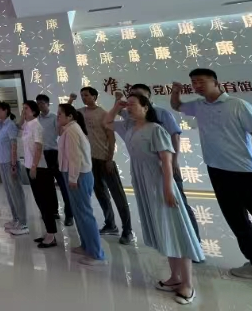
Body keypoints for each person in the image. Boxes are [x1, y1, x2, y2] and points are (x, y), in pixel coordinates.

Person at [171, 69, 252, 301]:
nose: (197, 86)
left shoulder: (238, 105)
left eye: (201, 81)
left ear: (216, 82)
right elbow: (177, 106)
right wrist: (176, 92)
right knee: (237, 222)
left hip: (246, 173)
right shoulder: (199, 106)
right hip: (217, 172)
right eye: (193, 82)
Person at [108, 92, 203, 305]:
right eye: (127, 105)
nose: (129, 108)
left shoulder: (156, 129)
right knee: (166, 231)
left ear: (146, 107)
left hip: (160, 185)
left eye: (133, 104)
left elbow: (166, 162)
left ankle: (188, 284)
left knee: (177, 231)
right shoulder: (130, 128)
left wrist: (168, 189)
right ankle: (175, 277)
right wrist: (116, 106)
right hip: (145, 185)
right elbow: (107, 122)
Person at [129, 84, 200, 243]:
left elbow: (175, 136)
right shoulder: (132, 117)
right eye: (132, 95)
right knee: (160, 204)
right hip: (149, 170)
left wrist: (174, 161)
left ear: (149, 97)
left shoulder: (162, 114)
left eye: (140, 95)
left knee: (178, 201)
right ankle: (170, 241)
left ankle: (193, 241)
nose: (135, 99)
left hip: (166, 164)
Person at [73, 87, 133, 245]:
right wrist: (71, 100)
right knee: (101, 194)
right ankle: (110, 224)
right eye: (82, 95)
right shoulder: (80, 113)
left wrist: (109, 159)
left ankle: (127, 230)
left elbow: (111, 138)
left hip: (105, 159)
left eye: (87, 95)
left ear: (94, 96)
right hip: (90, 160)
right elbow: (67, 113)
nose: (84, 98)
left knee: (118, 195)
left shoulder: (104, 114)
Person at [57, 103, 106, 266]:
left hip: (78, 176)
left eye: (60, 114)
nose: (58, 117)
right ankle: (86, 246)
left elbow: (75, 157)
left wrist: (72, 178)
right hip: (75, 174)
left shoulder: (72, 130)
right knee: (79, 213)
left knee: (85, 214)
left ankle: (97, 253)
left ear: (70, 116)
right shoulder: (69, 129)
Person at [21, 100, 58, 248]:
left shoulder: (36, 126)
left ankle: (51, 234)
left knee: (44, 201)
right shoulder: (27, 124)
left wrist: (34, 166)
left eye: (26, 109)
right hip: (30, 166)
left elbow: (38, 147)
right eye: (23, 108)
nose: (23, 111)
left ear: (34, 111)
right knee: (39, 201)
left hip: (39, 168)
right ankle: (48, 232)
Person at [37, 94, 74, 226]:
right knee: (48, 185)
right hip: (42, 154)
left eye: (42, 103)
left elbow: (59, 132)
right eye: (38, 103)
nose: (40, 105)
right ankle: (54, 211)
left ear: (48, 104)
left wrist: (70, 101)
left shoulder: (54, 117)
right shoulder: (37, 119)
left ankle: (69, 214)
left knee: (63, 185)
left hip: (54, 153)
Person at [0, 102, 29, 236]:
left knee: (16, 192)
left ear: (5, 111)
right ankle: (16, 219)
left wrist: (14, 165)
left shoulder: (10, 125)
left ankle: (23, 223)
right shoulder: (0, 125)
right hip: (2, 162)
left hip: (10, 163)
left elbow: (14, 146)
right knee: (9, 193)